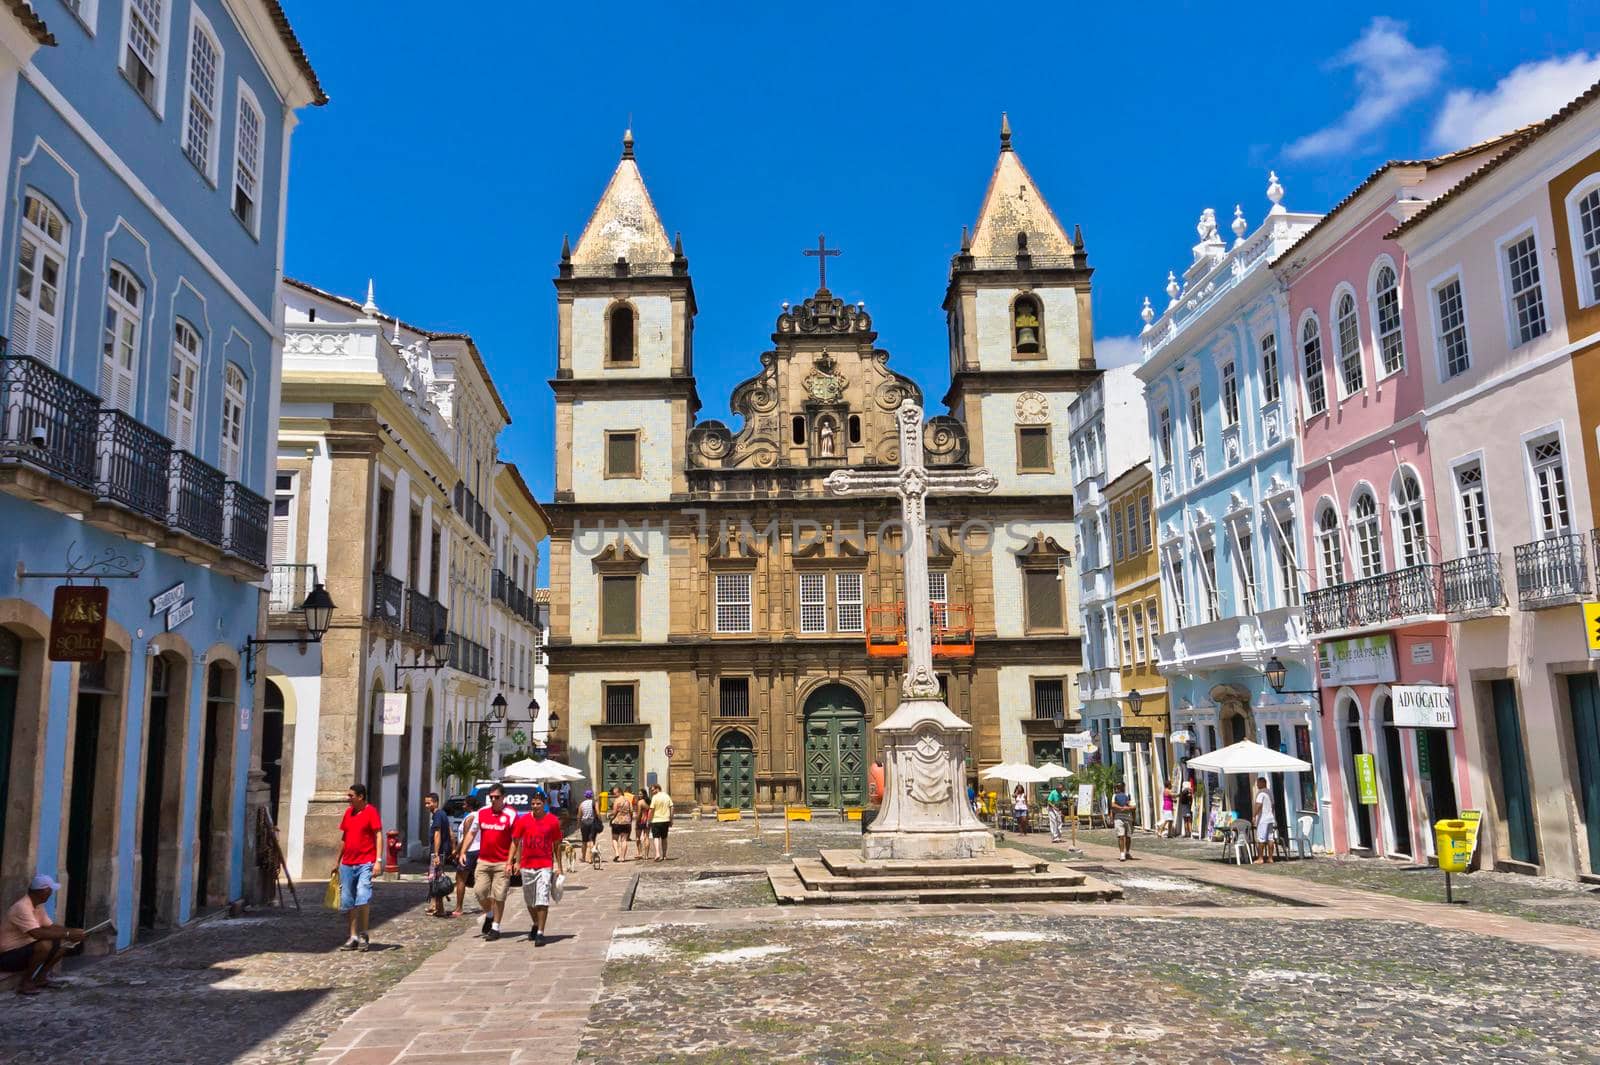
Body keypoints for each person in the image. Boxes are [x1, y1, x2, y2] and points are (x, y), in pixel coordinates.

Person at [1, 874, 85, 995]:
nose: (51, 893)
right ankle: (25, 982)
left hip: (22, 950)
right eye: (50, 890)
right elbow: (36, 933)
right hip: (7, 956)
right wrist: (67, 934)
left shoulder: (37, 905)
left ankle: (41, 978)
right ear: (43, 891)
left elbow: (49, 926)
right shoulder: (22, 907)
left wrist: (72, 931)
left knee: (63, 944)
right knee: (45, 945)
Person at [460, 784, 517, 941]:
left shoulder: (511, 814)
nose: (493, 800)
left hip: (502, 862)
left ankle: (496, 927)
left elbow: (515, 840)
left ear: (503, 797)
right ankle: (490, 914)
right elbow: (472, 833)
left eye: (496, 797)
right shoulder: (482, 813)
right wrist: (463, 851)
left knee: (499, 896)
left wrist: (511, 861)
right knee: (479, 892)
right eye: (491, 797)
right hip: (484, 861)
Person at [510, 792, 565, 947]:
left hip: (545, 865)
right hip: (526, 865)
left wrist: (559, 866)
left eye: (538, 804)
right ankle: (535, 922)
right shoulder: (524, 820)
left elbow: (556, 844)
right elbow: (516, 841)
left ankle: (540, 932)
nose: (535, 807)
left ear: (544, 804)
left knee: (542, 899)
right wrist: (514, 861)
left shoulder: (553, 821)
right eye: (533, 804)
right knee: (530, 901)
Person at [333, 783, 381, 951]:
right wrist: (337, 861)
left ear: (360, 797)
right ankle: (353, 936)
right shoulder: (348, 813)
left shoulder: (371, 812)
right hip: (347, 863)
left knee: (363, 895)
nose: (348, 799)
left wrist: (378, 861)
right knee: (349, 900)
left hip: (365, 862)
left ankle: (363, 933)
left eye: (351, 796)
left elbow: (378, 834)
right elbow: (344, 837)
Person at [452, 794, 482, 917]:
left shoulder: (469, 818)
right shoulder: (479, 816)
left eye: (464, 804)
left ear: (469, 805)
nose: (463, 806)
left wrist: (457, 851)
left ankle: (459, 907)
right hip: (478, 849)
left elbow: (465, 837)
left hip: (469, 851)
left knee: (460, 879)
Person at [423, 792, 452, 917]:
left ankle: (440, 909)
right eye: (425, 803)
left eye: (428, 803)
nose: (426, 805)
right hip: (442, 851)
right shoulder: (441, 815)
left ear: (435, 802)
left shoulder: (438, 816)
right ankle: (434, 906)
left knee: (437, 881)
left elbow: (437, 834)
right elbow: (451, 833)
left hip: (438, 852)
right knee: (434, 879)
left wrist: (435, 854)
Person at [1253, 776, 1278, 863]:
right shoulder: (1269, 792)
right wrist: (1271, 813)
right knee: (1270, 838)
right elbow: (1273, 805)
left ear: (1263, 783)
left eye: (1258, 783)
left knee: (1261, 838)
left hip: (1263, 819)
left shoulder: (1261, 793)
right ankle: (1270, 858)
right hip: (1270, 818)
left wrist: (1254, 815)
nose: (1257, 785)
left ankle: (1260, 858)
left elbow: (1258, 805)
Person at [648, 783, 674, 861]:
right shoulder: (667, 796)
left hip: (656, 820)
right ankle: (665, 855)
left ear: (657, 789)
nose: (652, 792)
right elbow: (672, 807)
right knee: (664, 838)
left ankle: (657, 853)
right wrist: (671, 819)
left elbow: (651, 810)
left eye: (652, 790)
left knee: (656, 837)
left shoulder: (654, 797)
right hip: (665, 820)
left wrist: (649, 820)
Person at [1110, 786, 1135, 861]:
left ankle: (1127, 852)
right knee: (1121, 836)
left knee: (1128, 836)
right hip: (1118, 818)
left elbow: (1134, 807)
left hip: (1128, 818)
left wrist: (1127, 808)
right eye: (1116, 788)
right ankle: (1122, 854)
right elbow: (1113, 805)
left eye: (1118, 788)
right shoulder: (1115, 796)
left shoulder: (1129, 795)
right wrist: (1122, 808)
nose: (1117, 789)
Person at [609, 788, 634, 862]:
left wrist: (610, 815)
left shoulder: (617, 801)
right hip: (626, 822)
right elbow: (631, 811)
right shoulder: (628, 801)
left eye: (615, 793)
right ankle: (622, 857)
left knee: (614, 839)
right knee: (624, 840)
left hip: (617, 822)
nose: (614, 795)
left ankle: (617, 853)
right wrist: (630, 819)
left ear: (619, 792)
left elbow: (614, 812)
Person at [577, 790, 601, 865]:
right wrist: (599, 820)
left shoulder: (582, 804)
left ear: (585, 796)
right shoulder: (594, 803)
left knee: (584, 841)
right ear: (591, 796)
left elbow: (579, 815)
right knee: (591, 840)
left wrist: (578, 824)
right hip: (592, 823)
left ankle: (583, 857)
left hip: (584, 823)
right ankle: (590, 858)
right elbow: (597, 812)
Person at [633, 787, 653, 857]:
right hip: (647, 820)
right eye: (639, 794)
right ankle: (646, 855)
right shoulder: (649, 802)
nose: (639, 795)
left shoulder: (640, 802)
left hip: (641, 821)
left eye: (641, 794)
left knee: (638, 838)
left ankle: (639, 853)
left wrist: (636, 822)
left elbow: (638, 814)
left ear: (644, 794)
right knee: (646, 837)